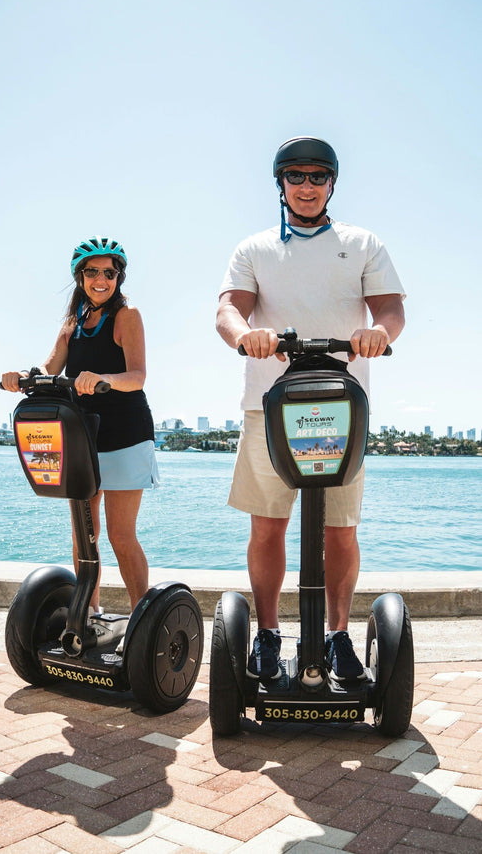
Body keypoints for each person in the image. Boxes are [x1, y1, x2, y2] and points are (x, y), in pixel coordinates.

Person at [216, 137, 405, 682]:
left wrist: (377, 333)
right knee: (268, 526)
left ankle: (339, 633)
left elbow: (390, 308)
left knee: (340, 532)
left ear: (331, 184)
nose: (306, 186)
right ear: (280, 184)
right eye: (295, 176)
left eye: (317, 177)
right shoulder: (254, 249)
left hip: (343, 408)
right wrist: (247, 336)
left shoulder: (361, 242)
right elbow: (230, 308)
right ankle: (270, 635)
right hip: (268, 405)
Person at [2, 236, 158, 614]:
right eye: (92, 272)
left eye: (109, 272)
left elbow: (137, 376)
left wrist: (100, 377)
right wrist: (22, 377)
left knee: (121, 536)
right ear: (80, 277)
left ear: (119, 276)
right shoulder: (73, 323)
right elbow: (50, 368)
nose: (101, 280)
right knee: (84, 535)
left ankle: (142, 622)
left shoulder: (127, 315)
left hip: (126, 435)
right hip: (84, 436)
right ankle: (89, 613)